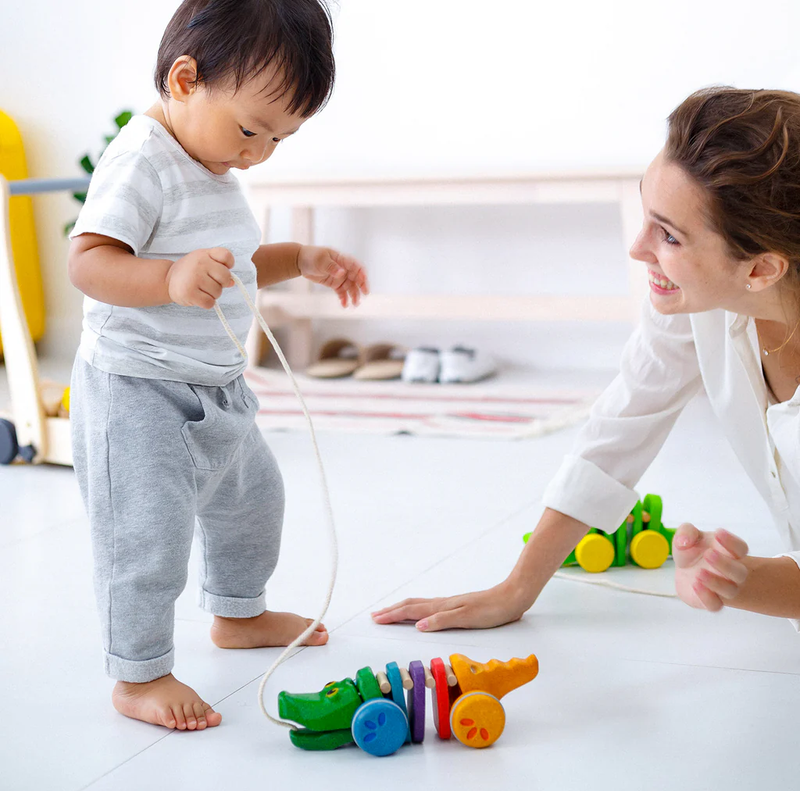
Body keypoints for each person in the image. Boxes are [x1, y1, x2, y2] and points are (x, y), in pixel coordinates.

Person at [373, 86, 800, 634]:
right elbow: (621, 426)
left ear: (761, 270)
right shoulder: (697, 299)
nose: (638, 247)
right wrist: (517, 587)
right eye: (647, 212)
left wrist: (742, 580)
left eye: (669, 235)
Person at [68, 0, 368, 732]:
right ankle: (138, 674)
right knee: (148, 536)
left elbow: (230, 266)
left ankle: (238, 613)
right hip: (138, 388)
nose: (258, 152)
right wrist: (168, 279)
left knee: (253, 503)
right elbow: (89, 262)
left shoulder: (214, 164)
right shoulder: (142, 160)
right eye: (250, 129)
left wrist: (296, 259)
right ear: (184, 79)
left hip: (215, 386)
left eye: (279, 138)